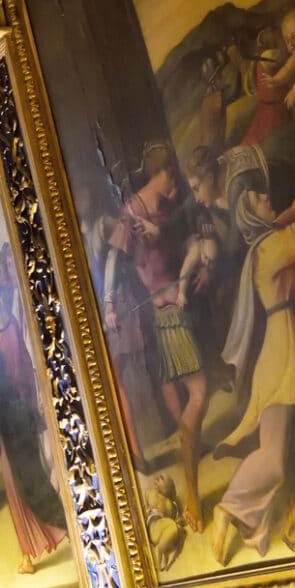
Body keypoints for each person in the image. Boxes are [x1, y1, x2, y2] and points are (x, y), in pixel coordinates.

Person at [209, 153, 295, 563]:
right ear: (245, 210)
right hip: (282, 357)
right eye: (257, 197)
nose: (266, 198)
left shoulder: (268, 241)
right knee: (273, 459)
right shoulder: (270, 248)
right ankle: (227, 509)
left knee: (290, 450)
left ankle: (263, 521)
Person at [103, 142, 212, 529]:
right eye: (173, 179)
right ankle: (194, 497)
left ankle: (192, 453)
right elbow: (114, 259)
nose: (177, 187)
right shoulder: (131, 212)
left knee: (188, 384)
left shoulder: (163, 209)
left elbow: (184, 234)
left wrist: (202, 264)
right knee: (199, 392)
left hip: (178, 307)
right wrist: (110, 301)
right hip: (166, 314)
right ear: (162, 173)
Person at [0, 249, 69, 572]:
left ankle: (38, 544)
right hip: (16, 417)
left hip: (15, 420)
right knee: (26, 478)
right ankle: (41, 541)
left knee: (20, 481)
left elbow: (0, 365)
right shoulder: (4, 327)